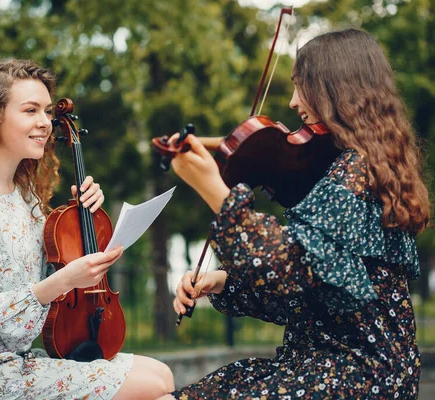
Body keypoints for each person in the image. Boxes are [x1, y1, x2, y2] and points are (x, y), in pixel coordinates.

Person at [160, 28, 430, 399]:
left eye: (301, 87)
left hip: (357, 374)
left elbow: (292, 265)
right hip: (338, 365)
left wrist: (215, 190)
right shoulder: (364, 167)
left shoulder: (356, 172)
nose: (291, 102)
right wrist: (223, 283)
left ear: (336, 90)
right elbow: (310, 298)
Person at [0, 59, 174, 399]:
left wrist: (81, 219)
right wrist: (65, 280)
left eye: (47, 111)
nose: (46, 123)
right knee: (156, 385)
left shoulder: (26, 197)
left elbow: (48, 271)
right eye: (30, 110)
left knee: (162, 378)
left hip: (16, 361)